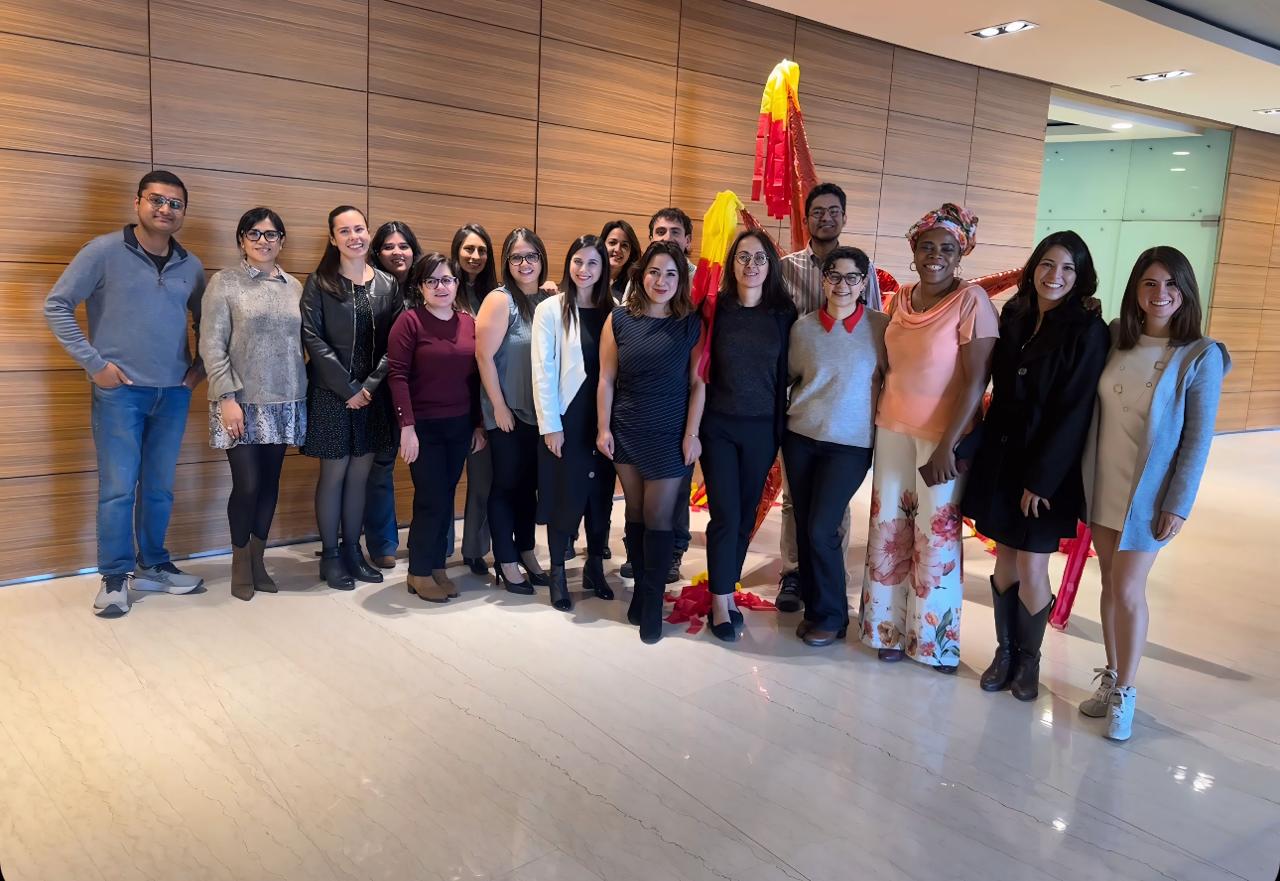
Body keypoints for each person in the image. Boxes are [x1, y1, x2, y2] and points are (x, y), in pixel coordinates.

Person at [1078, 247, 1228, 741]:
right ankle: (1110, 673)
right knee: (1107, 585)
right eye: (1148, 282)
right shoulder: (1116, 340)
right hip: (1104, 479)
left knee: (1127, 589)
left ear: (1185, 291)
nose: (1159, 294)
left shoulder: (1200, 355)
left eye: (1169, 284)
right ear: (1136, 289)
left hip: (1149, 493)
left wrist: (1177, 505)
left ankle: (1127, 689)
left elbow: (1197, 439)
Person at [44, 170, 207, 617]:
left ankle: (153, 564)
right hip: (121, 394)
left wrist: (198, 370)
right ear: (138, 203)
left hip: (172, 395)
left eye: (175, 204)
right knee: (118, 488)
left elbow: (210, 325)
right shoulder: (102, 251)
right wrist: (96, 365)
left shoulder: (190, 265)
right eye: (157, 200)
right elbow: (56, 305)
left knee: (159, 489)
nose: (165, 209)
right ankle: (115, 576)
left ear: (182, 213)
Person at [961, 232, 1109, 699]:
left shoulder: (1088, 329)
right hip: (1001, 456)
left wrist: (1042, 480)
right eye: (1047, 264)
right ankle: (1004, 653)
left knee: (1033, 564)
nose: (1055, 276)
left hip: (1047, 468)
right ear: (1033, 267)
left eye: (1067, 268)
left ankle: (1029, 662)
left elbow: (1076, 409)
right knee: (1004, 555)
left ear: (1080, 276)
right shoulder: (1017, 312)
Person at [859, 203, 997, 673]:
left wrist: (948, 447)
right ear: (913, 251)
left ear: (961, 255)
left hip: (942, 439)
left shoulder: (972, 301)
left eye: (947, 248)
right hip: (891, 429)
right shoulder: (899, 298)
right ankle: (888, 630)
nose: (935, 255)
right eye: (926, 246)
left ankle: (934, 643)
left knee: (935, 540)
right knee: (888, 535)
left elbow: (976, 382)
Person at [774, 182, 884, 613]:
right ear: (807, 217)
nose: (825, 218)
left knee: (831, 512)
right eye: (817, 211)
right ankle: (794, 572)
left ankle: (828, 576)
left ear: (843, 216)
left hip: (848, 417)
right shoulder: (786, 268)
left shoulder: (864, 270)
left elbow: (873, 335)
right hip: (806, 396)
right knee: (794, 502)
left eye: (833, 211)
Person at [598, 241, 703, 644]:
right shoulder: (620, 319)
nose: (662, 281)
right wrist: (603, 428)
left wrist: (692, 434)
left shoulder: (691, 322)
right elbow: (607, 379)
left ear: (681, 280)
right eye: (655, 272)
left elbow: (698, 383)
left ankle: (653, 602)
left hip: (671, 433)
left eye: (671, 274)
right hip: (627, 427)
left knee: (660, 519)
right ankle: (642, 590)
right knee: (636, 514)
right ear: (642, 276)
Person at [199, 207, 307, 601]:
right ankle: (240, 562)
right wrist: (227, 398)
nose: (264, 241)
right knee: (247, 484)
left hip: (285, 399)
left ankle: (259, 560)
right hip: (241, 401)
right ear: (241, 239)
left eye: (272, 234)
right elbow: (211, 345)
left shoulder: (295, 287)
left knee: (270, 484)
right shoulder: (225, 283)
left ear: (282, 240)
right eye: (255, 234)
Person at [696, 230, 796, 642]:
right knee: (725, 514)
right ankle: (720, 601)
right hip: (718, 425)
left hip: (761, 429)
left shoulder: (783, 314)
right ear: (731, 263)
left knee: (745, 518)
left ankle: (727, 586)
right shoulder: (715, 309)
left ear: (770, 265)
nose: (750, 265)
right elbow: (699, 371)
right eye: (742, 257)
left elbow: (787, 375)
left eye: (758, 258)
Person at [301, 206, 400, 589]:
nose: (354, 236)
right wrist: (348, 389)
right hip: (331, 394)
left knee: (360, 476)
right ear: (333, 238)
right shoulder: (320, 281)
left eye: (359, 228)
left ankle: (353, 552)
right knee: (334, 475)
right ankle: (329, 557)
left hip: (372, 394)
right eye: (345, 231)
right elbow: (312, 337)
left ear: (369, 233)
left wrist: (370, 387)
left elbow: (396, 343)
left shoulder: (388, 284)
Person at [386, 252, 487, 603]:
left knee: (445, 498)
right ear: (420, 287)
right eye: (432, 281)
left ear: (457, 284)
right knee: (430, 499)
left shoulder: (468, 323)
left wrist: (477, 425)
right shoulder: (410, 322)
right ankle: (418, 572)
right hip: (424, 427)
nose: (440, 287)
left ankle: (436, 567)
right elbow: (396, 376)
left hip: (459, 425)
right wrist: (407, 427)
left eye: (447, 280)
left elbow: (475, 379)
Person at [531, 235, 617, 611]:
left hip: (606, 419)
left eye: (593, 263)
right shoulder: (550, 309)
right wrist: (550, 425)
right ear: (568, 264)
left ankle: (595, 565)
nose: (584, 270)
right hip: (567, 416)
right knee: (564, 495)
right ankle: (558, 574)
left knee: (601, 497)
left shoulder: (616, 309)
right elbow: (542, 371)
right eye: (578, 261)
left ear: (604, 269)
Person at [617, 207, 699, 585]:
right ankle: (643, 558)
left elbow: (698, 374)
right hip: (634, 413)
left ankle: (670, 554)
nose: (667, 237)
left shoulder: (700, 284)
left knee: (672, 495)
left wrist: (692, 430)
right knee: (640, 505)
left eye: (675, 231)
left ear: (688, 240)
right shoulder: (639, 283)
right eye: (660, 231)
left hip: (678, 409)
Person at [476, 228, 551, 594]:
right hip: (507, 413)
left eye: (531, 256)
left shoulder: (547, 300)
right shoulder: (499, 300)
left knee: (529, 490)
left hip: (540, 415)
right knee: (505, 486)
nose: (525, 263)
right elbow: (483, 356)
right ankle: (506, 560)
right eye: (517, 257)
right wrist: (499, 408)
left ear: (542, 259)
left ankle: (527, 551)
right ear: (507, 262)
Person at [361, 221, 424, 569]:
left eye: (404, 245)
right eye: (388, 246)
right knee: (380, 469)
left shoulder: (427, 287)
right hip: (381, 392)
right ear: (377, 252)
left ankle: (432, 543)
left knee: (429, 473)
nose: (397, 252)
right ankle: (383, 543)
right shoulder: (368, 291)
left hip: (426, 394)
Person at [451, 223, 499, 575]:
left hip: (490, 400)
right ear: (456, 251)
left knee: (484, 482)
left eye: (481, 250)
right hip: (454, 400)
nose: (475, 256)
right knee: (443, 483)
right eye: (468, 249)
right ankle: (435, 552)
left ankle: (475, 549)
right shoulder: (444, 291)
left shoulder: (497, 295)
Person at [601, 219, 641, 301]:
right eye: (612, 243)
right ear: (601, 245)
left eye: (624, 245)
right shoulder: (589, 277)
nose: (618, 249)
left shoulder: (635, 285)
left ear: (631, 252)